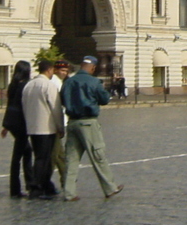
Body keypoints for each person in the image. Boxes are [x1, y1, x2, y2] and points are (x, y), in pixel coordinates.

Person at [61, 56, 123, 201]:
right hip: (88, 122)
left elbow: (62, 99)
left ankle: (69, 192)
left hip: (72, 122)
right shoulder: (94, 81)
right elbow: (104, 99)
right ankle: (110, 187)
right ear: (93, 68)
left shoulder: (69, 81)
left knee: (71, 159)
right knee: (98, 155)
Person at [22, 59, 64, 199]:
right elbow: (56, 108)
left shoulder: (29, 85)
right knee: (43, 159)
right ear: (50, 70)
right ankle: (36, 187)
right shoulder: (48, 85)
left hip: (32, 127)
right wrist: (60, 126)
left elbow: (24, 105)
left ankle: (46, 185)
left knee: (40, 157)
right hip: (46, 128)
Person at [0, 60, 33, 198]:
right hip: (21, 124)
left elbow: (10, 106)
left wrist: (6, 126)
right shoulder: (25, 86)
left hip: (12, 123)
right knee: (19, 156)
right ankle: (18, 189)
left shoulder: (12, 85)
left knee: (26, 151)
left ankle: (28, 184)